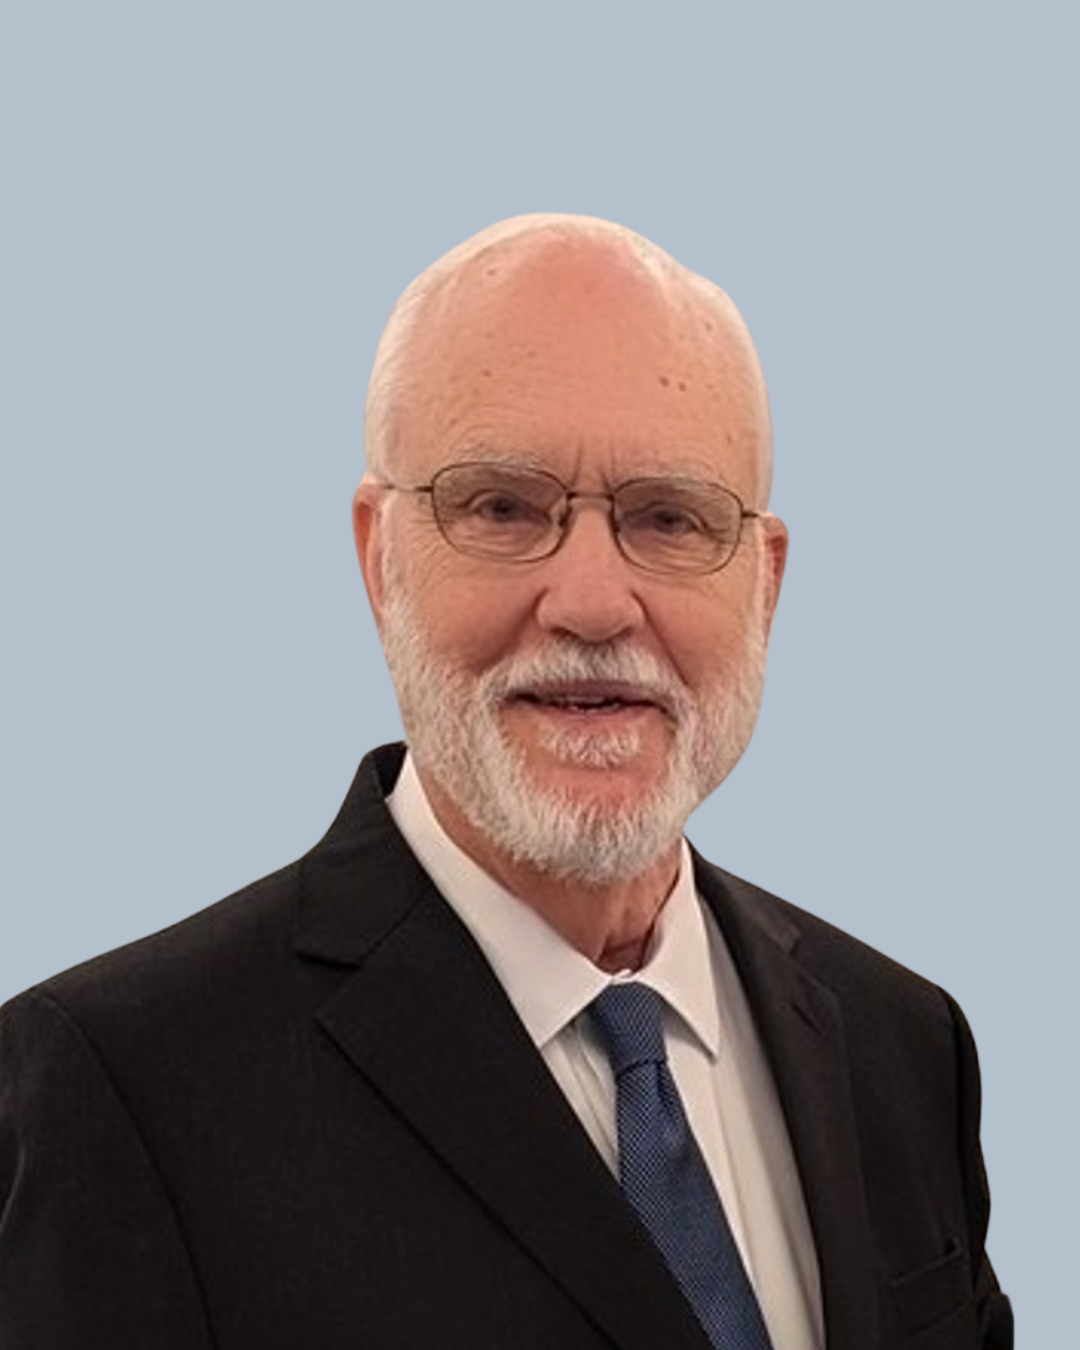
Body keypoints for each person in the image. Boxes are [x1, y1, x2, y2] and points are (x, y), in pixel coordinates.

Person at [0, 214, 1012, 1350]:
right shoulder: (117, 1090)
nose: (592, 601)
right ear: (380, 559)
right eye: (503, 508)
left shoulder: (904, 1047)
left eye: (670, 518)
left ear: (765, 584)